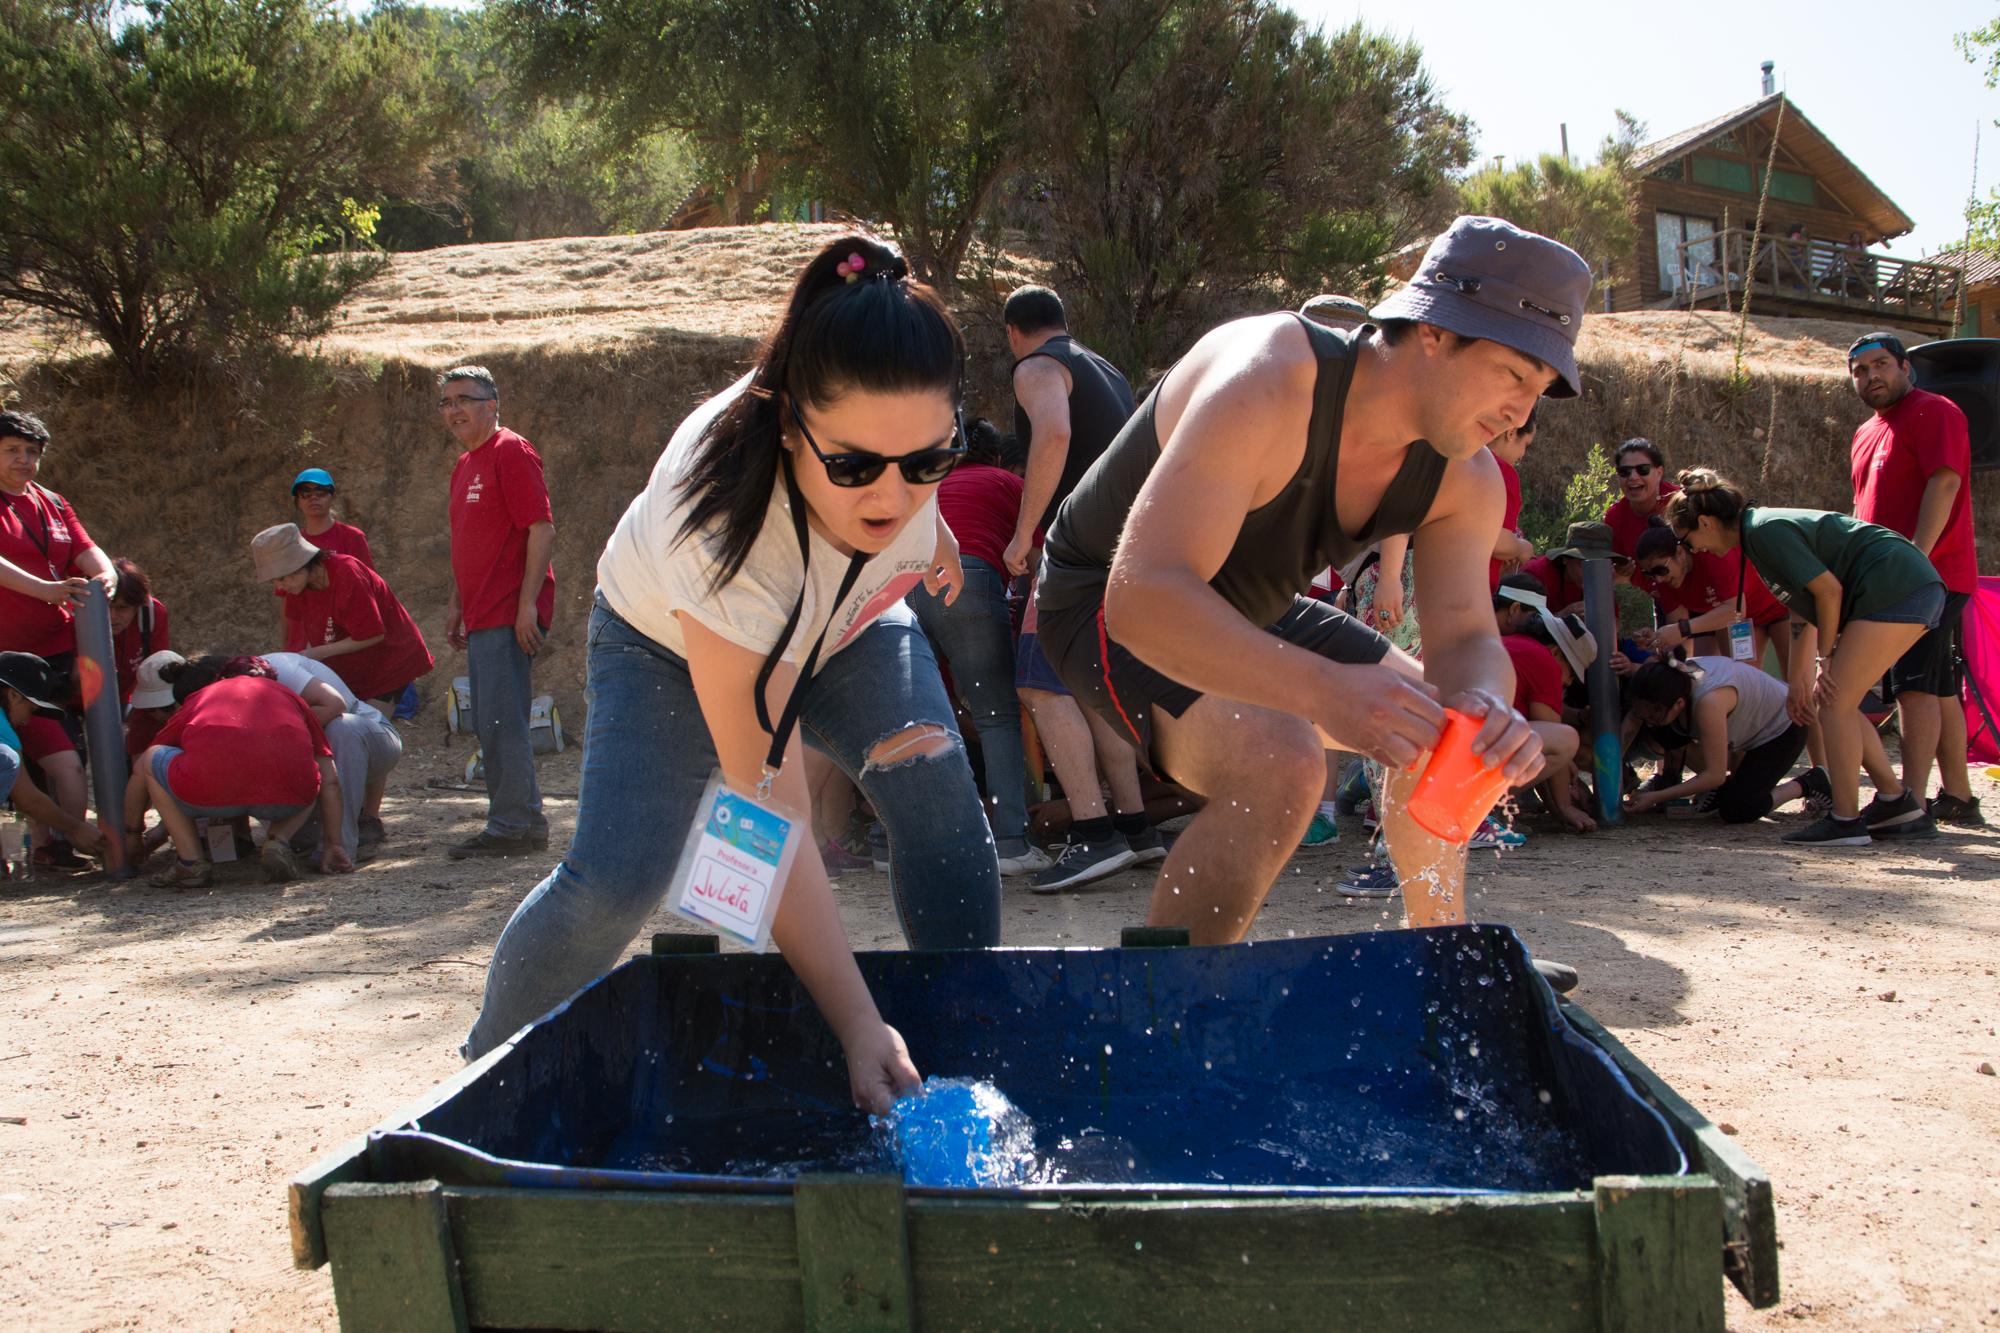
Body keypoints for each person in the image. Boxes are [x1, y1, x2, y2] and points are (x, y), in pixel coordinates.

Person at [465, 234, 1002, 1113]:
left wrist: (930, 530)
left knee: (934, 783)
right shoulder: (714, 529)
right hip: (670, 644)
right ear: (792, 423)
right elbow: (770, 812)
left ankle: (969, 1045)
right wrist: (856, 1022)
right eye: (857, 467)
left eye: (930, 463)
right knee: (616, 882)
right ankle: (480, 1075)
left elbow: (899, 480)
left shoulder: (897, 430)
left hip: (845, 621)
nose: (893, 496)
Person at [1035, 214, 1576, 945]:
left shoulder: (1468, 479)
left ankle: (1439, 962)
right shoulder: (1273, 377)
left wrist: (1483, 703)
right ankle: (1170, 1014)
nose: (1521, 410)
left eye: (1539, 387)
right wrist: (1322, 691)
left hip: (1252, 606)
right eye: (1514, 374)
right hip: (1105, 596)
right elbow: (1143, 595)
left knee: (1442, 727)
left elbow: (1470, 637)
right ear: (1435, 331)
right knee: (1285, 762)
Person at [1667, 468, 1943, 846]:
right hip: (1905, 588)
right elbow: (1803, 608)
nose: (1692, 549)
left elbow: (1828, 592)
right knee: (1831, 697)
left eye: (1687, 538)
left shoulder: (1764, 531)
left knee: (1834, 701)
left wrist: (1823, 660)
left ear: (1705, 522)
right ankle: (1896, 802)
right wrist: (1798, 678)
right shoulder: (1756, 535)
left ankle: (1846, 820)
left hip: (1898, 587)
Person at [1001, 284, 1155, 890]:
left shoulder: (1039, 365)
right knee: (1092, 689)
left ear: (1013, 332)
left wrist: (1023, 535)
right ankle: (1136, 827)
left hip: (1074, 549)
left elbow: (1054, 435)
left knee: (1037, 684)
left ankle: (1093, 834)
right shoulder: (1108, 373)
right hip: (1121, 547)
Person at [1847, 332, 1982, 825]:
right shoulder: (1866, 432)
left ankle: (1911, 804)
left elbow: (1944, 481)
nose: (1871, 376)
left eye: (1880, 364)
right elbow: (1863, 511)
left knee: (1914, 687)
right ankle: (1960, 797)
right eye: (1859, 370)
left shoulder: (1936, 410)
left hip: (1933, 575)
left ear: (1906, 367)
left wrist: (1916, 563)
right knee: (1938, 685)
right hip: (1888, 580)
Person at [908, 418, 1046, 875]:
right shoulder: (1006, 482)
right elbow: (1036, 559)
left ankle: (892, 838)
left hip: (909, 584)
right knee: (997, 714)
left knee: (919, 715)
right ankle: (1011, 841)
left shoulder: (930, 486)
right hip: (969, 580)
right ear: (998, 457)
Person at [441, 365, 558, 858]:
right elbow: (469, 543)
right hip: (482, 611)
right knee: (493, 718)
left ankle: (513, 826)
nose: (453, 411)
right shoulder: (466, 464)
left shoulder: (509, 450)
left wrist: (527, 603)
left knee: (500, 719)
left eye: (463, 399)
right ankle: (522, 822)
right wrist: (456, 603)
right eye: (446, 403)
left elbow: (541, 528)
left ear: (491, 404)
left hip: (509, 612)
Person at [124, 658, 349, 887]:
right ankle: (278, 839)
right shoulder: (292, 697)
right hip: (286, 802)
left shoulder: (205, 695)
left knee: (152, 758)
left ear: (222, 678)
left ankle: (191, 863)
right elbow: (330, 780)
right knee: (311, 769)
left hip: (207, 796)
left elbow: (149, 760)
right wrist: (333, 843)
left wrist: (133, 834)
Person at [216, 650, 402, 862]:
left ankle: (340, 848)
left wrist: (286, 738)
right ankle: (286, 840)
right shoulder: (223, 697)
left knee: (342, 727)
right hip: (315, 749)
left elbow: (336, 704)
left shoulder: (282, 669)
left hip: (372, 738)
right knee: (301, 842)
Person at [1622, 656, 1820, 824]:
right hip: (1747, 729)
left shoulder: (1708, 703)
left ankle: (1809, 782)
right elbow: (1631, 724)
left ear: (1679, 704)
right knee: (1661, 729)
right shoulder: (1669, 679)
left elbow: (1715, 774)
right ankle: (1719, 791)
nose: (1648, 722)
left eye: (1652, 717)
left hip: (1784, 727)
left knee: (1738, 809)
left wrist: (1655, 797)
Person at [254, 524, 434, 708]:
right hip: (353, 668)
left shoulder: (347, 572)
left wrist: (318, 652)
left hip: (389, 660)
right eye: (274, 581)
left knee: (371, 727)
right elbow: (312, 631)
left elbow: (373, 634)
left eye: (283, 578)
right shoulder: (297, 589)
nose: (279, 586)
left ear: (302, 564)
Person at [0, 410, 115, 693]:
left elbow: (83, 546)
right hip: (6, 654)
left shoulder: (53, 501)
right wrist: (43, 589)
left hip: (57, 647)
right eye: (12, 450)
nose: (23, 459)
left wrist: (107, 574)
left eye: (32, 452)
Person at [1493, 575, 1596, 832]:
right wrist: (1564, 807)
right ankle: (1483, 810)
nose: (1568, 681)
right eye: (1571, 672)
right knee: (1567, 739)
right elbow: (1553, 740)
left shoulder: (1514, 646)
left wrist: (1557, 810)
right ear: (1556, 652)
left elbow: (1538, 751)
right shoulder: (1544, 661)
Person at [0, 652, 104, 864]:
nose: (28, 720)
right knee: (7, 759)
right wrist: (76, 828)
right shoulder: (4, 730)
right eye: (31, 709)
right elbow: (29, 800)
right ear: (13, 696)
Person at [1631, 525, 1789, 660]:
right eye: (1650, 574)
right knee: (1742, 682)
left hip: (1778, 605)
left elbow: (1736, 611)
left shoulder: (1711, 554)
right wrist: (1655, 639)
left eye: (1660, 569)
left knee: (1797, 687)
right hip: (1737, 622)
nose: (1658, 579)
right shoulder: (1666, 581)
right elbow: (1677, 630)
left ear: (1679, 552)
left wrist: (1683, 629)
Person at [1521, 521, 1627, 618]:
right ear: (1566, 559)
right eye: (1583, 565)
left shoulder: (1601, 578)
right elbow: (1519, 624)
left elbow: (1613, 626)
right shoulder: (1535, 575)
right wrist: (1561, 617)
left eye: (1599, 566)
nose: (1591, 574)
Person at [1487, 408, 1539, 592]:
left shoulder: (1461, 458)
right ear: (1511, 433)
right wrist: (1521, 548)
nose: (1523, 454)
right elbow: (1497, 542)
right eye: (1526, 444)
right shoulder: (1501, 472)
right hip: (1471, 589)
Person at [109, 557, 170, 707]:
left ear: (138, 606)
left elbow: (158, 668)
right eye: (106, 606)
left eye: (122, 608)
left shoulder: (152, 615)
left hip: (132, 698)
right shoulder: (79, 617)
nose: (112, 616)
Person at [289, 468, 375, 567]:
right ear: (298, 502)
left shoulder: (352, 537)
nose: (313, 497)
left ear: (333, 497)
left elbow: (367, 579)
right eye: (305, 493)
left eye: (320, 491)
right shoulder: (296, 543)